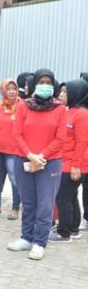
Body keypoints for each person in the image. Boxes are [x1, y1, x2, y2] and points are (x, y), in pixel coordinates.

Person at [7, 69, 67, 260]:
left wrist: (41, 156)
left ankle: (40, 242)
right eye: (41, 82)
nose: (45, 85)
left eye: (48, 82)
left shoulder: (59, 109)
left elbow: (60, 138)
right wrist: (30, 155)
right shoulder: (24, 106)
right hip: (24, 159)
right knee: (29, 202)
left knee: (45, 204)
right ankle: (26, 237)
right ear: (34, 85)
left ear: (54, 85)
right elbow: (17, 134)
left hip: (49, 163)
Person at [48, 79, 88, 243]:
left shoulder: (82, 114)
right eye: (61, 91)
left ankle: (64, 233)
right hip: (65, 161)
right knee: (70, 197)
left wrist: (76, 166)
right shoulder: (68, 111)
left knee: (62, 197)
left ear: (76, 93)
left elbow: (82, 142)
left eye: (65, 91)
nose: (61, 94)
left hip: (73, 164)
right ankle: (73, 228)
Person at [0, 79, 21, 219]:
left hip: (14, 151)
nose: (12, 91)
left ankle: (15, 209)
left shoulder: (23, 106)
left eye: (14, 88)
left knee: (14, 179)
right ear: (3, 90)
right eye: (8, 88)